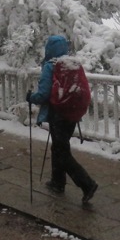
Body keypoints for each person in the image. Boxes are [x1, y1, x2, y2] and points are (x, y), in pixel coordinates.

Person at [26, 35, 98, 204]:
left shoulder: (50, 66)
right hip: (72, 114)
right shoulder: (73, 64)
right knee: (59, 148)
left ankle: (87, 184)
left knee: (62, 152)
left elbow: (43, 94)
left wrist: (31, 97)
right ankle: (57, 182)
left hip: (57, 114)